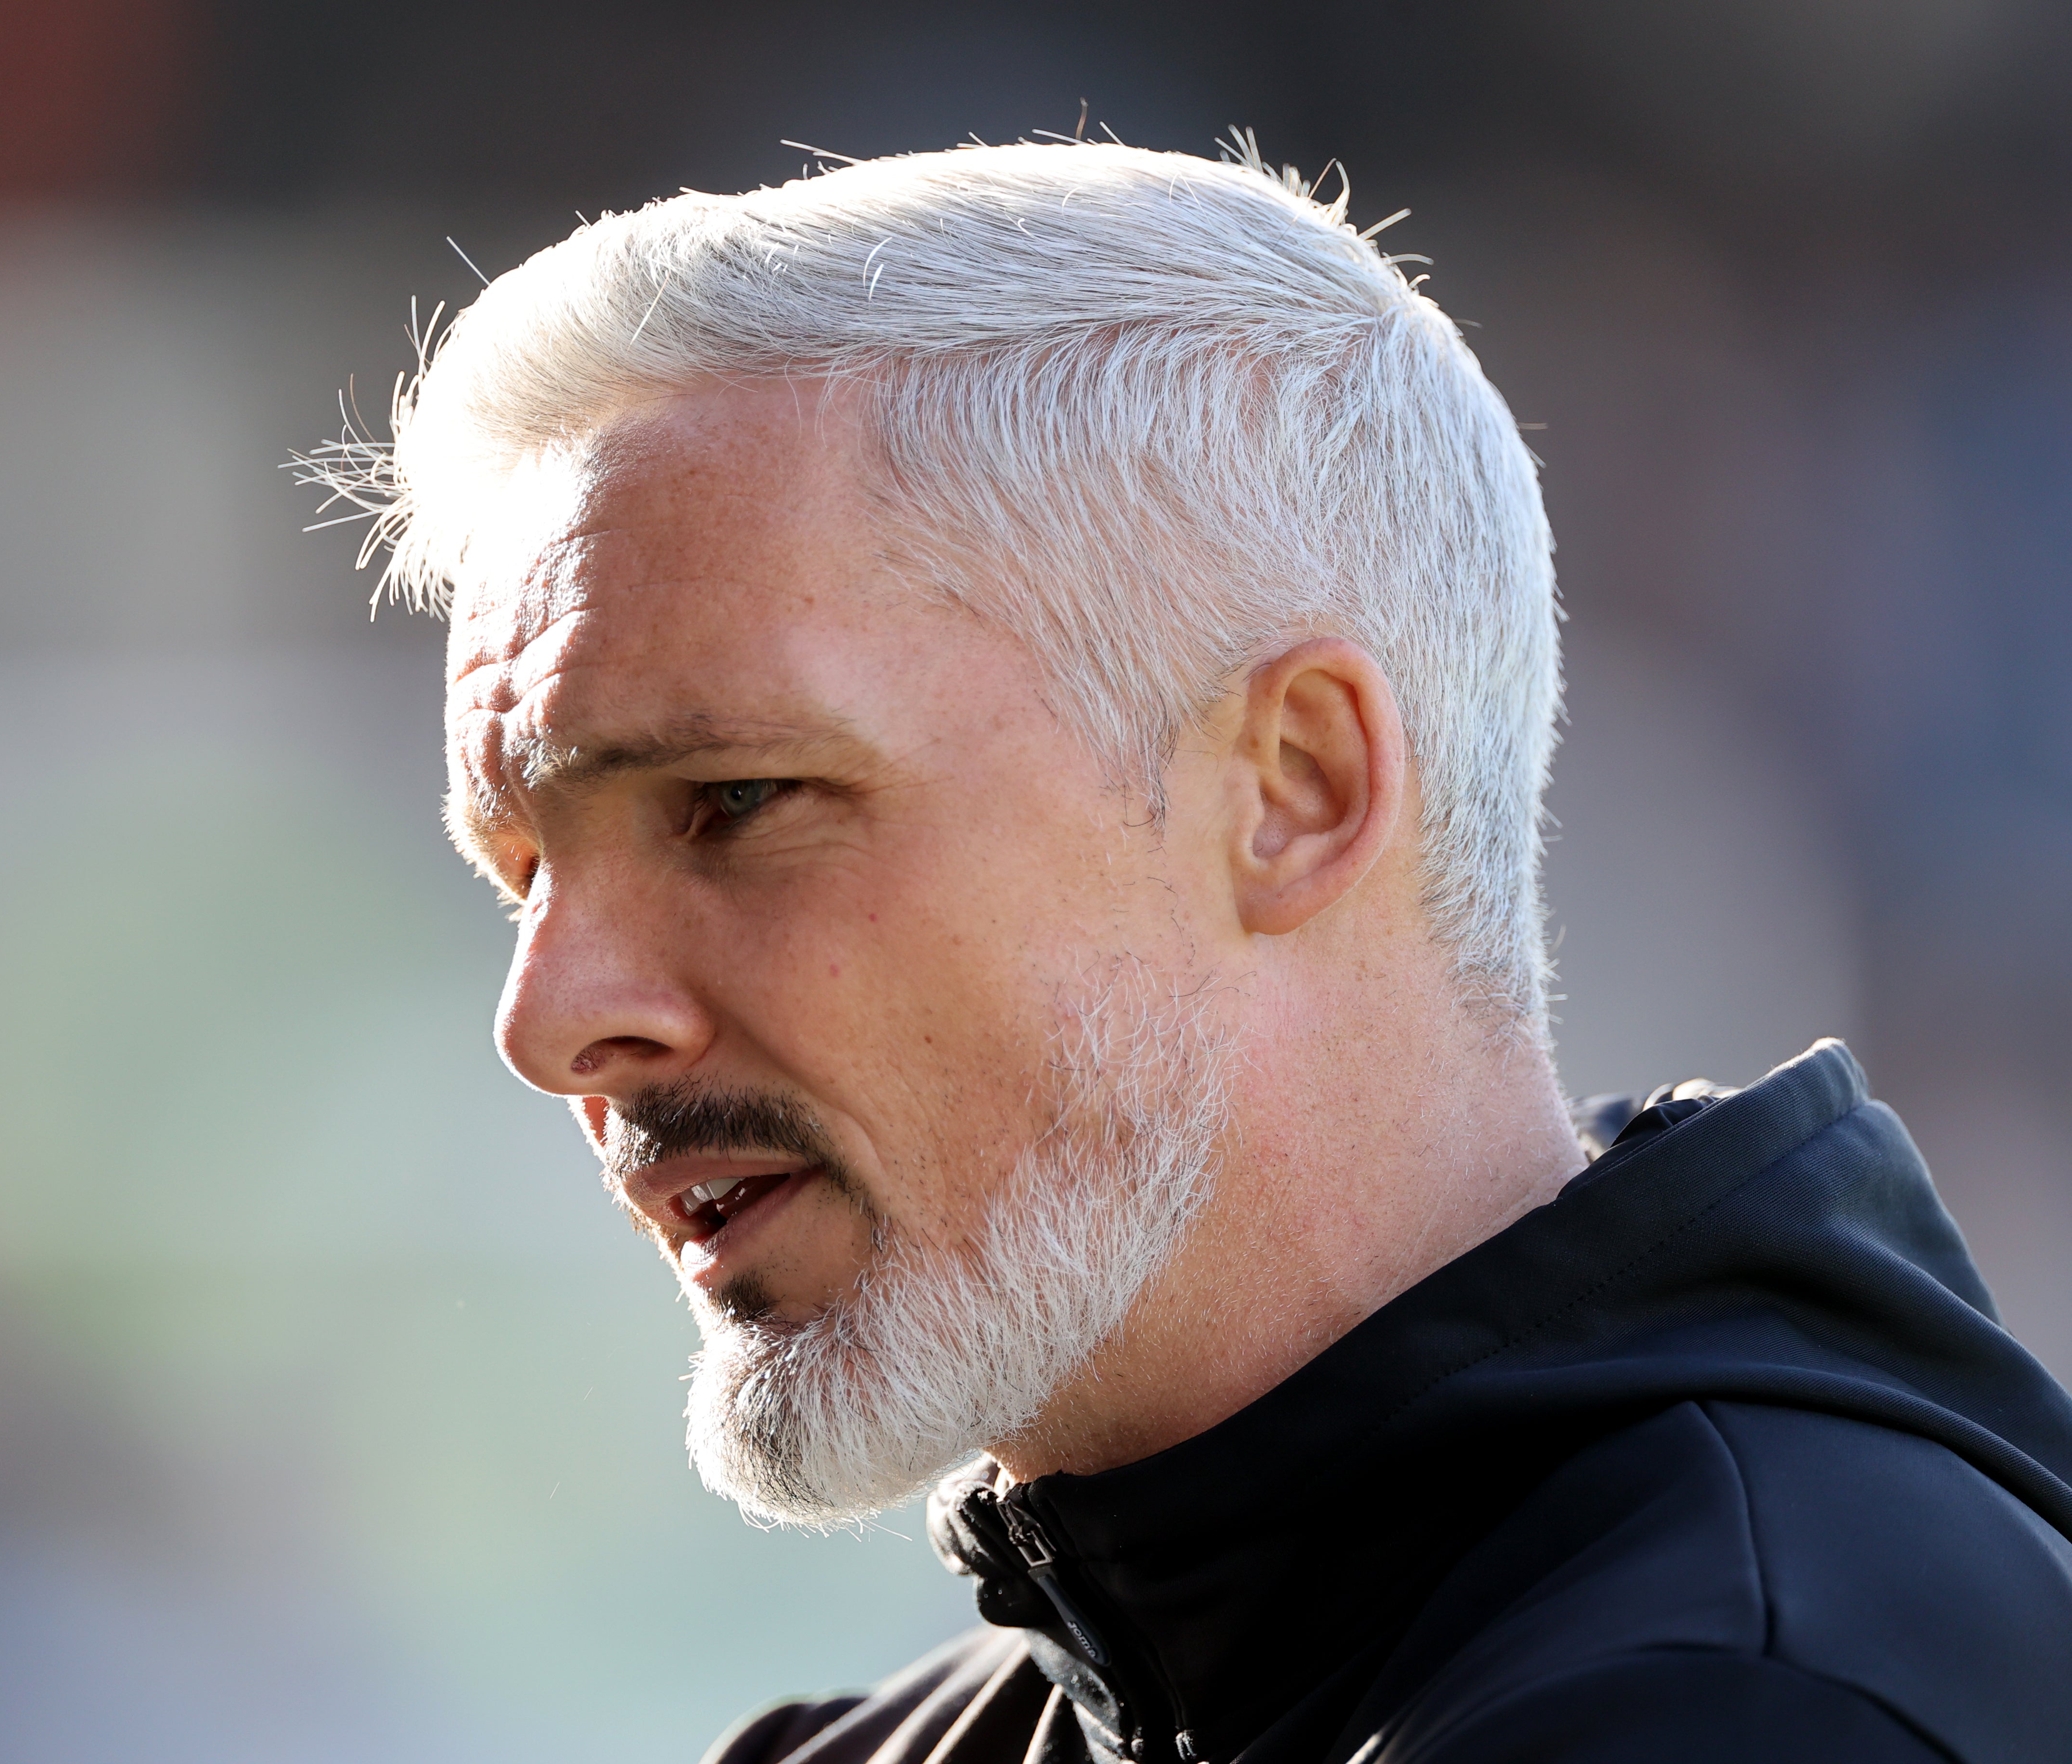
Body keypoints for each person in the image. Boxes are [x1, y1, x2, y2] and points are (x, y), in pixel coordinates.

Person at [301, 140, 2072, 1763]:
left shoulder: (1762, 1700)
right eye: (522, 872)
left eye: (736, 800)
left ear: (1295, 789)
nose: (554, 1021)